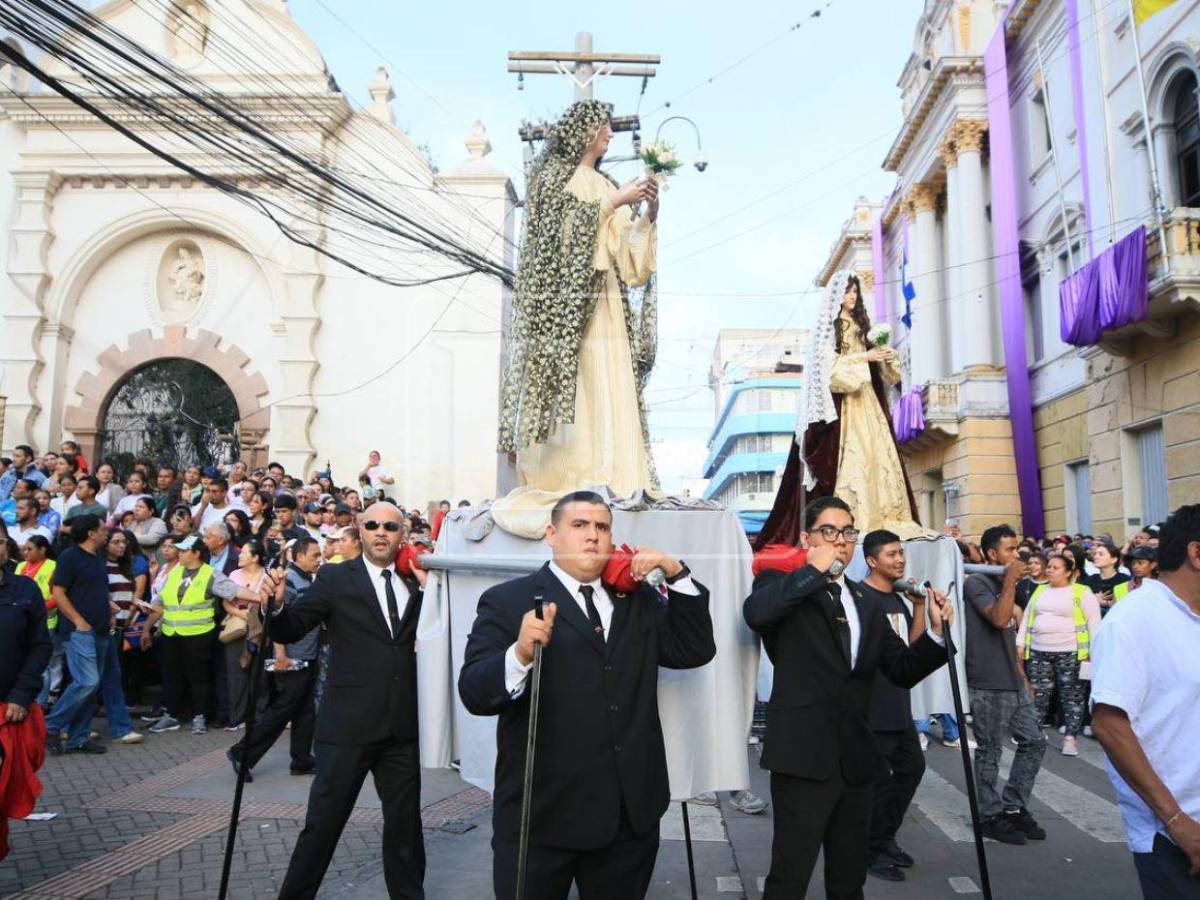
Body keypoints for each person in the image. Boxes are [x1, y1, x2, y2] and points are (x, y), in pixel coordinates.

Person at [458, 490, 713, 900]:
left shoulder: (639, 600)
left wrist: (677, 572)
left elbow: (693, 649)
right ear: (551, 534)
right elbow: (474, 692)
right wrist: (519, 654)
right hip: (541, 818)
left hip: (627, 819)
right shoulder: (508, 600)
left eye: (602, 527)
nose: (593, 535)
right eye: (579, 525)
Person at [743, 497, 949, 898]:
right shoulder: (782, 584)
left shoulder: (865, 601)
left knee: (849, 878)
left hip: (856, 758)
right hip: (802, 757)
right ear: (807, 539)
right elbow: (757, 614)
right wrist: (812, 570)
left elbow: (902, 669)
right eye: (829, 531)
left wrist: (937, 633)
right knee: (789, 876)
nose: (840, 541)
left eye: (848, 532)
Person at [492, 101, 661, 540]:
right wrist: (613, 202)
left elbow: (632, 266)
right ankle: (575, 480)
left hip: (607, 308)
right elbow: (556, 240)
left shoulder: (606, 183)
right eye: (603, 126)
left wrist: (647, 214)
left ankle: (615, 478)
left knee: (609, 386)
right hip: (567, 316)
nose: (610, 134)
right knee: (580, 390)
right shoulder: (553, 178)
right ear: (584, 130)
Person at [263, 502, 425, 899]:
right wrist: (277, 605)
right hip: (347, 727)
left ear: (402, 534)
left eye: (390, 526)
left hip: (400, 729)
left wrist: (427, 588)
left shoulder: (416, 583)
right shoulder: (336, 577)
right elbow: (293, 625)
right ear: (360, 530)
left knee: (405, 829)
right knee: (323, 825)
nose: (381, 532)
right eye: (373, 525)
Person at [757, 273, 927, 550]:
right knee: (856, 456)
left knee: (879, 456)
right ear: (837, 295)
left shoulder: (863, 324)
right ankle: (857, 518)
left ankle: (884, 515)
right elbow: (827, 365)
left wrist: (884, 355)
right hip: (848, 405)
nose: (852, 296)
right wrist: (864, 357)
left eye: (855, 292)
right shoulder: (831, 326)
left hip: (869, 400)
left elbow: (886, 376)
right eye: (848, 291)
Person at [1091, 504, 1200, 900]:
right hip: (1177, 838)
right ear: (1196, 553)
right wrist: (1176, 821)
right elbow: (1109, 725)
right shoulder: (1133, 619)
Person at [963, 524, 1048, 844]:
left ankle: (1013, 807)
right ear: (991, 554)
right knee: (990, 750)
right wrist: (1010, 580)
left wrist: (1022, 675)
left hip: (1012, 680)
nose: (1017, 555)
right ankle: (988, 814)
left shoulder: (1006, 583)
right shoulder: (977, 583)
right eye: (1009, 550)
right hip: (987, 682)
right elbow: (999, 619)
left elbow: (1010, 635)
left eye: (1017, 548)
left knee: (1035, 741)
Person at [859, 529, 930, 882]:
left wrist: (919, 608)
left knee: (912, 769)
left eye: (901, 553)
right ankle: (869, 851)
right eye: (891, 554)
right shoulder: (861, 598)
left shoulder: (897, 598)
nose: (900, 559)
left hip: (899, 704)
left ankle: (884, 838)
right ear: (872, 561)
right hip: (873, 707)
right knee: (877, 786)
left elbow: (910, 654)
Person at [141, 534, 263, 735]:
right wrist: (147, 629)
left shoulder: (210, 574)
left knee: (199, 678)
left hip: (199, 635)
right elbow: (160, 604)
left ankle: (200, 716)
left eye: (184, 550)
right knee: (172, 676)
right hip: (171, 634)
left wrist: (261, 598)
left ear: (196, 553)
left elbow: (234, 590)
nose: (179, 553)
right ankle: (171, 715)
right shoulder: (174, 573)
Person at [228, 536, 323, 779]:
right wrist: (280, 654)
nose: (319, 560)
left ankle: (301, 760)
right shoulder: (288, 581)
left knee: (305, 711)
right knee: (281, 711)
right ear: (299, 556)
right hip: (292, 659)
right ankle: (241, 753)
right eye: (314, 555)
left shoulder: (306, 579)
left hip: (306, 656)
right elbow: (276, 620)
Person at [1016, 553, 1101, 758]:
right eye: (1049, 567)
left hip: (1071, 653)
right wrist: (1020, 643)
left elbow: (1094, 623)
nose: (1050, 570)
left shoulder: (1082, 592)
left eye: (1055, 568)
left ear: (1069, 572)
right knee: (1038, 695)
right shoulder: (1040, 591)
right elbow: (1027, 617)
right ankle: (1036, 733)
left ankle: (1070, 738)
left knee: (1072, 697)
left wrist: (1092, 652)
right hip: (1038, 651)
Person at [43, 515, 112, 755]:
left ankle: (78, 738)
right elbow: (58, 592)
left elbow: (92, 590)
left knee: (90, 687)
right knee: (87, 681)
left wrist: (109, 608)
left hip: (100, 629)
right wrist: (77, 620)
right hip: (78, 631)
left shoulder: (97, 557)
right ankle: (50, 725)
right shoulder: (69, 557)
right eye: (102, 529)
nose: (106, 532)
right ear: (91, 533)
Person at [99, 528, 145, 744]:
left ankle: (72, 726)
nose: (121, 546)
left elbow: (122, 594)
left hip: (119, 628)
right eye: (116, 542)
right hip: (105, 628)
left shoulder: (124, 566)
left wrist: (136, 603)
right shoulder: (100, 567)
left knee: (106, 678)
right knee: (103, 679)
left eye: (123, 542)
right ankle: (62, 724)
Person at [222, 539, 270, 731]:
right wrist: (239, 613)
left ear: (255, 557)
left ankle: (259, 717)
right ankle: (237, 717)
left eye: (244, 553)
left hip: (260, 628)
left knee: (259, 673)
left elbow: (269, 602)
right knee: (236, 673)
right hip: (237, 627)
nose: (239, 556)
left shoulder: (267, 576)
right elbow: (225, 601)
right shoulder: (234, 575)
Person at [20, 536, 62, 708]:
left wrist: (38, 609)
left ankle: (43, 702)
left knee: (43, 664)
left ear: (42, 549)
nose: (25, 552)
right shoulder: (21, 566)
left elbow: (57, 596)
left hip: (47, 622)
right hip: (24, 622)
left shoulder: (53, 566)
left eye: (30, 549)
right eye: (24, 549)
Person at [1087, 541, 1131, 615]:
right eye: (1095, 554)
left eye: (1101, 554)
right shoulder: (1090, 580)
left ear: (1113, 559)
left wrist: (1105, 603)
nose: (1095, 557)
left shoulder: (1125, 580)